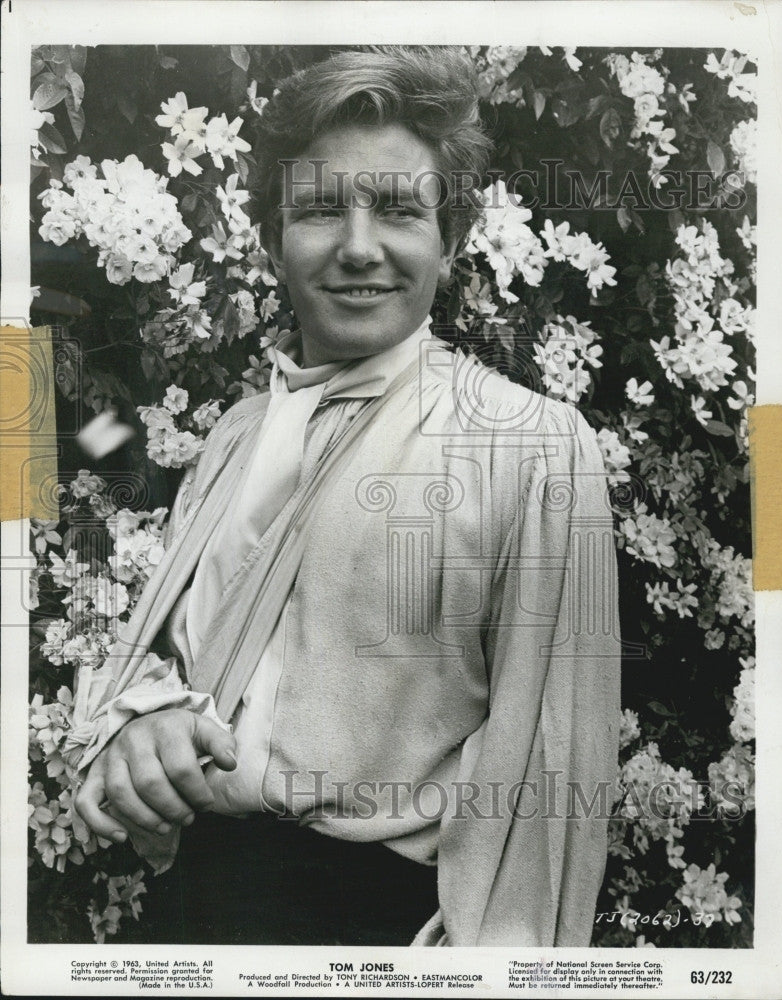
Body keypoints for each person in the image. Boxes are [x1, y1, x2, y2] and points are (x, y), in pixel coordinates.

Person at [72, 46, 621, 947]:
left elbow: (549, 783)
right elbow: (170, 668)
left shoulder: (533, 448)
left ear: (450, 241)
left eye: (400, 210)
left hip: (377, 928)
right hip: (190, 912)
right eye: (323, 209)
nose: (359, 246)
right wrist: (142, 731)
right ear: (271, 238)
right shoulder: (234, 437)